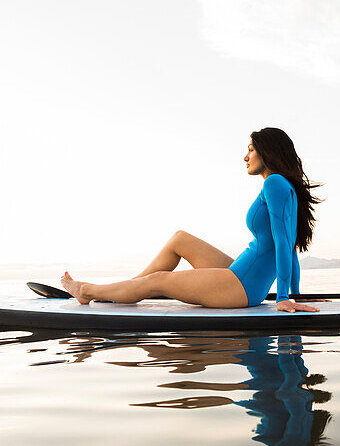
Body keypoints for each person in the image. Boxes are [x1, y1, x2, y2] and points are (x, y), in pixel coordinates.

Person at [60, 127, 323, 312]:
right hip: (242, 273)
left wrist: (285, 297)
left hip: (242, 286)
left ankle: (87, 291)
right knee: (179, 239)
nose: (245, 157)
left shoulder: (275, 183)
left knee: (159, 280)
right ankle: (126, 290)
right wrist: (296, 293)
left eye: (251, 150)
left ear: (268, 152)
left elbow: (284, 242)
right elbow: (290, 245)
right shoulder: (281, 185)